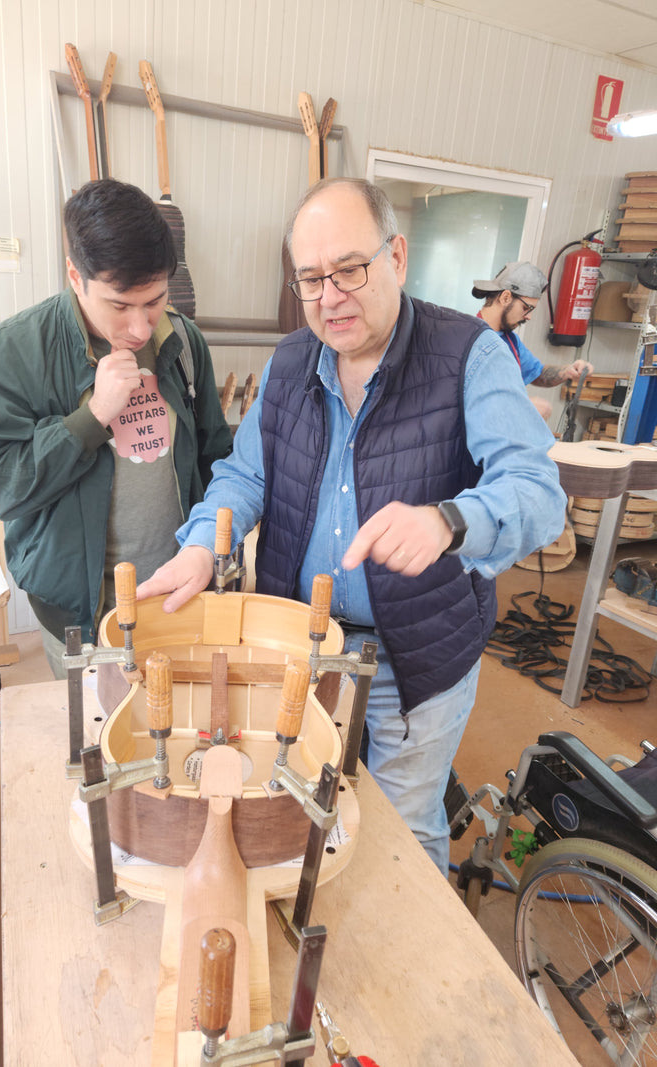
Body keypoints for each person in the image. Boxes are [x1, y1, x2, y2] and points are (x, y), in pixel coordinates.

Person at [136, 177, 566, 876]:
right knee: (295, 799)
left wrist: (450, 520)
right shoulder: (288, 364)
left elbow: (538, 492)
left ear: (396, 255)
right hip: (298, 649)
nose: (330, 295)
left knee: (401, 833)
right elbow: (246, 477)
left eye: (349, 270)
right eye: (310, 278)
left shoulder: (468, 355)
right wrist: (199, 548)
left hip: (415, 657)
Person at [0, 179, 232, 677]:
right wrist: (91, 417)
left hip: (176, 597)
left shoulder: (183, 343)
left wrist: (209, 549)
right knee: (95, 744)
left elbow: (216, 459)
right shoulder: (16, 351)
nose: (141, 327)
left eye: (156, 299)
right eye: (120, 306)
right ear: (76, 278)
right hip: (79, 613)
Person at [473, 262, 593, 419]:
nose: (528, 316)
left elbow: (537, 374)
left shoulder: (510, 340)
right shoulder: (469, 338)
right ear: (505, 297)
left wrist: (568, 371)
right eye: (526, 308)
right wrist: (518, 407)